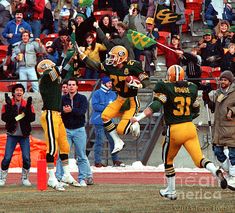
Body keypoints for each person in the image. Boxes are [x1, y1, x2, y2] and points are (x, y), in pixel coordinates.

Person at [130, 65, 227, 200]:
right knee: (199, 159)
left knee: (168, 161)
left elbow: (155, 106)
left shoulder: (165, 87)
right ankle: (215, 171)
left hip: (175, 129)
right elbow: (196, 109)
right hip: (190, 127)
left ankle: (171, 191)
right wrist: (188, 119)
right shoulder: (191, 88)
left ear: (170, 76)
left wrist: (138, 118)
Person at [78, 45, 150, 154]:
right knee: (105, 116)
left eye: (113, 57)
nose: (111, 59)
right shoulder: (109, 66)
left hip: (131, 101)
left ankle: (135, 123)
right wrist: (83, 57)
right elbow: (96, 65)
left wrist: (139, 85)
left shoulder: (132, 66)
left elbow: (146, 80)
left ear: (122, 57)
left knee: (121, 130)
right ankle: (117, 141)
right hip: (120, 98)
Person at [37, 59, 80, 191]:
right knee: (52, 147)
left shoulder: (52, 78)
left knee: (64, 145)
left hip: (57, 115)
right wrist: (67, 55)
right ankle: (51, 177)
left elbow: (63, 71)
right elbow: (57, 70)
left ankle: (66, 175)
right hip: (49, 114)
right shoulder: (45, 78)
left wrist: (70, 59)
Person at [202, 70, 235, 191]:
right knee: (217, 151)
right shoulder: (219, 92)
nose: (222, 82)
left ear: (230, 81)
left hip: (232, 127)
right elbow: (213, 107)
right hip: (219, 128)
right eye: (221, 80)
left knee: (233, 154)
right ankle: (229, 171)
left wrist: (232, 110)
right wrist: (207, 98)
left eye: (225, 80)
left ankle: (233, 177)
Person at [58, 77, 94, 186]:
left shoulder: (82, 98)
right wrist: (64, 111)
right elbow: (58, 111)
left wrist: (71, 110)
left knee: (81, 155)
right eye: (69, 85)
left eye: (73, 85)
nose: (71, 87)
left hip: (79, 130)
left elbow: (82, 111)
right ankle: (59, 178)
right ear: (67, 87)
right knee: (62, 155)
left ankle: (82, 178)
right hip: (66, 130)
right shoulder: (62, 99)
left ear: (77, 86)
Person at [0, 84, 35, 186]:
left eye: (21, 90)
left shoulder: (28, 104)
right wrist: (11, 107)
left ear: (23, 93)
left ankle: (25, 178)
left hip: (24, 135)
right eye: (17, 90)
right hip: (12, 134)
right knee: (7, 157)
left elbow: (32, 119)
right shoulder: (7, 104)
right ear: (13, 93)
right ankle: (2, 178)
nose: (19, 92)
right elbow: (5, 118)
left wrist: (27, 107)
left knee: (26, 158)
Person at [91, 76, 124, 167]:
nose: (110, 84)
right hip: (99, 120)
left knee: (114, 140)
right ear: (104, 83)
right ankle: (98, 161)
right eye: (109, 83)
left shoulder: (113, 94)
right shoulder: (97, 93)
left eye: (111, 83)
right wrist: (109, 108)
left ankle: (115, 160)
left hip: (109, 121)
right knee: (100, 141)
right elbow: (95, 106)